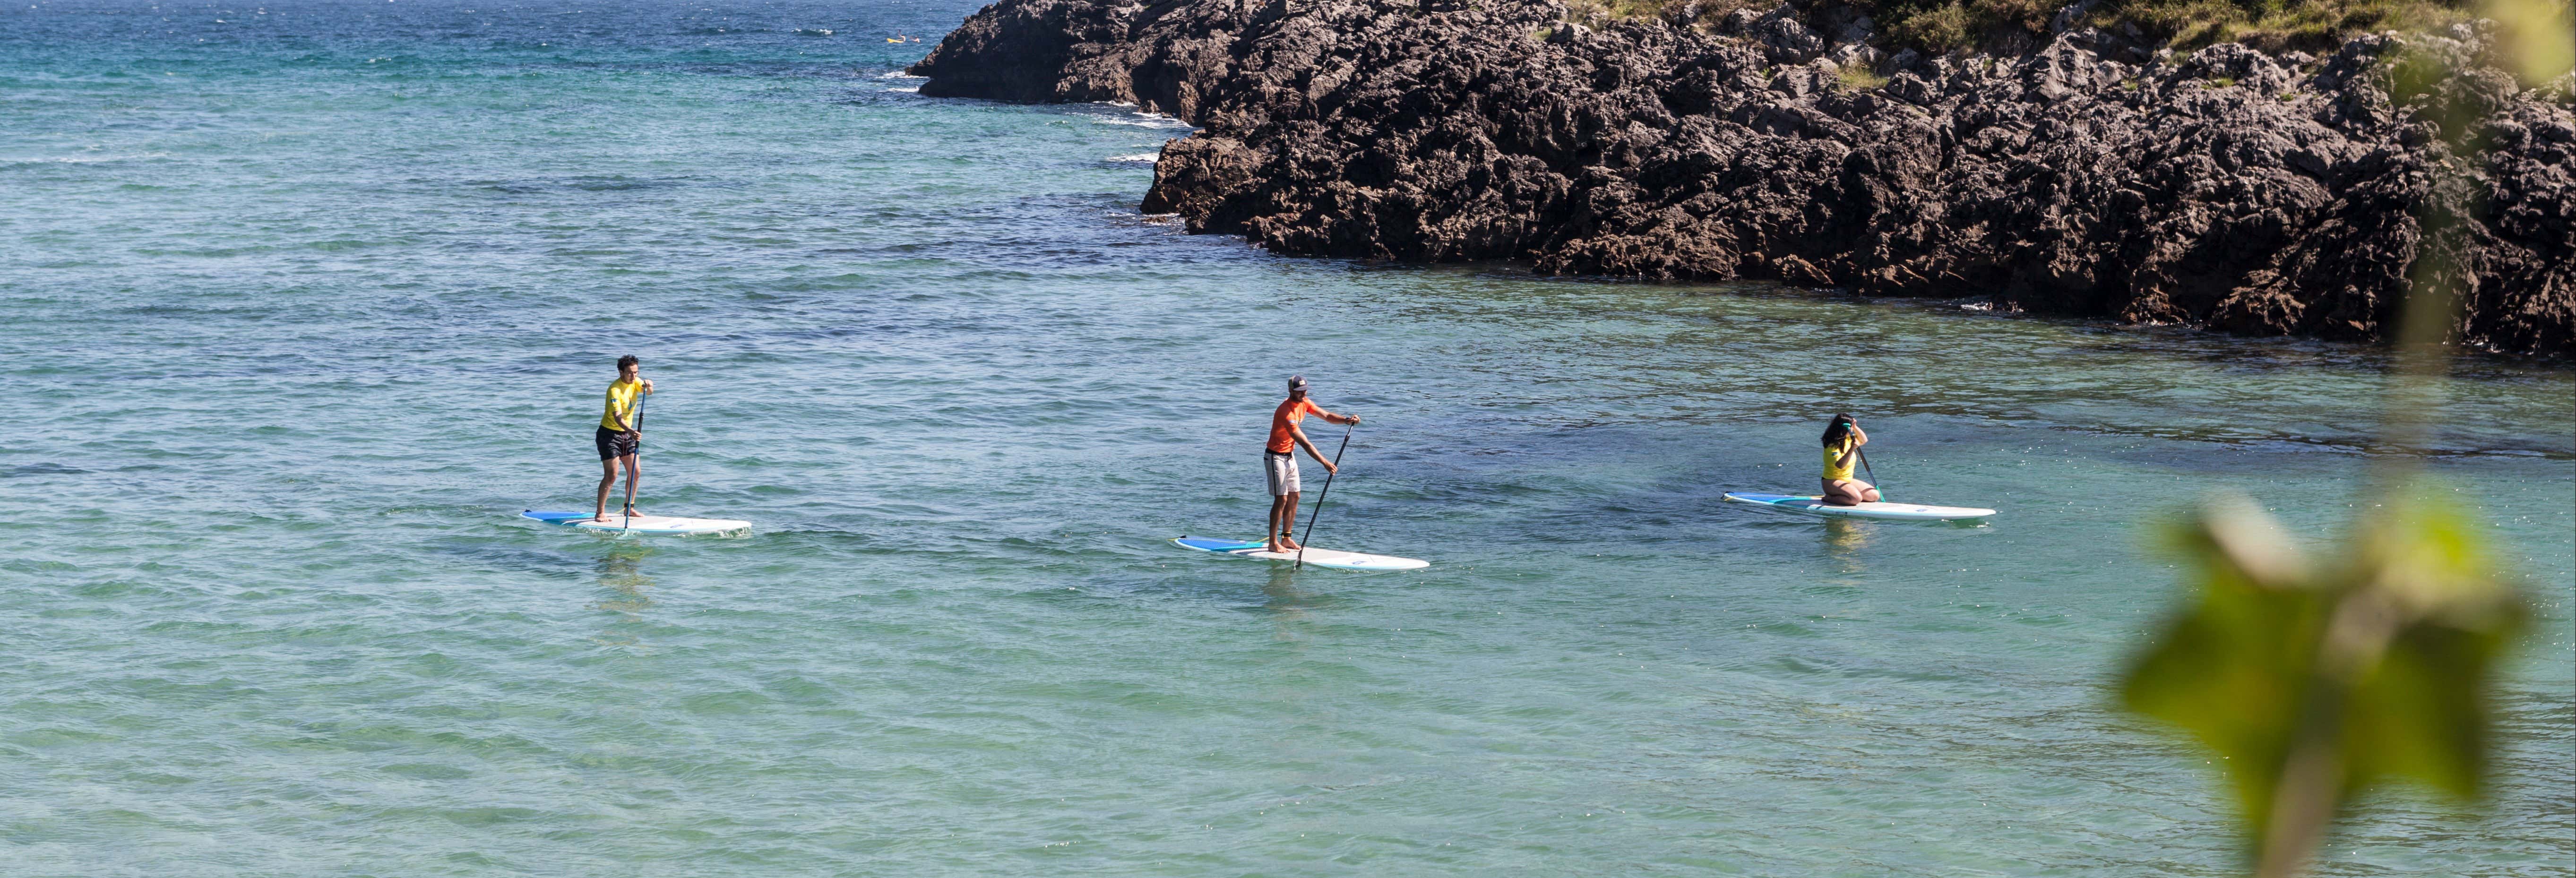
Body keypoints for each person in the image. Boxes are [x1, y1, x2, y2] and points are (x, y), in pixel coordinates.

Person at [1265, 375, 1359, 553]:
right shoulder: (1286, 412)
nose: (1303, 394)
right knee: (1281, 499)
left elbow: (1327, 416)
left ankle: (1287, 538)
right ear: (1291, 391)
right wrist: (1324, 462)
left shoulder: (1305, 402)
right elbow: (1305, 443)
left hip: (1289, 456)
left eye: (1305, 391)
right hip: (1275, 457)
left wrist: (1346, 420)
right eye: (1300, 392)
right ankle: (1273, 543)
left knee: (1295, 496)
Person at [592, 355, 655, 523]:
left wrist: (650, 386)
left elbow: (649, 392)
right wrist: (631, 431)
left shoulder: (636, 381)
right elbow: (618, 418)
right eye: (629, 373)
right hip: (610, 435)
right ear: (621, 372)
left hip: (628, 435)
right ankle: (600, 513)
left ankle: (630, 507)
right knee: (612, 475)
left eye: (636, 372)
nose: (634, 377)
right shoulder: (615, 390)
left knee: (636, 471)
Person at [1821, 413, 1880, 506]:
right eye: (1851, 428)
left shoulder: (1847, 439)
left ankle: (1847, 495)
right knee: (1856, 499)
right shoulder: (1832, 446)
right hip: (1831, 481)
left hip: (1847, 480)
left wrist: (1855, 427)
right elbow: (1840, 466)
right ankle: (1829, 498)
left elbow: (1864, 440)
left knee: (1874, 495)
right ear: (1844, 429)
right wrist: (1852, 448)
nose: (1853, 430)